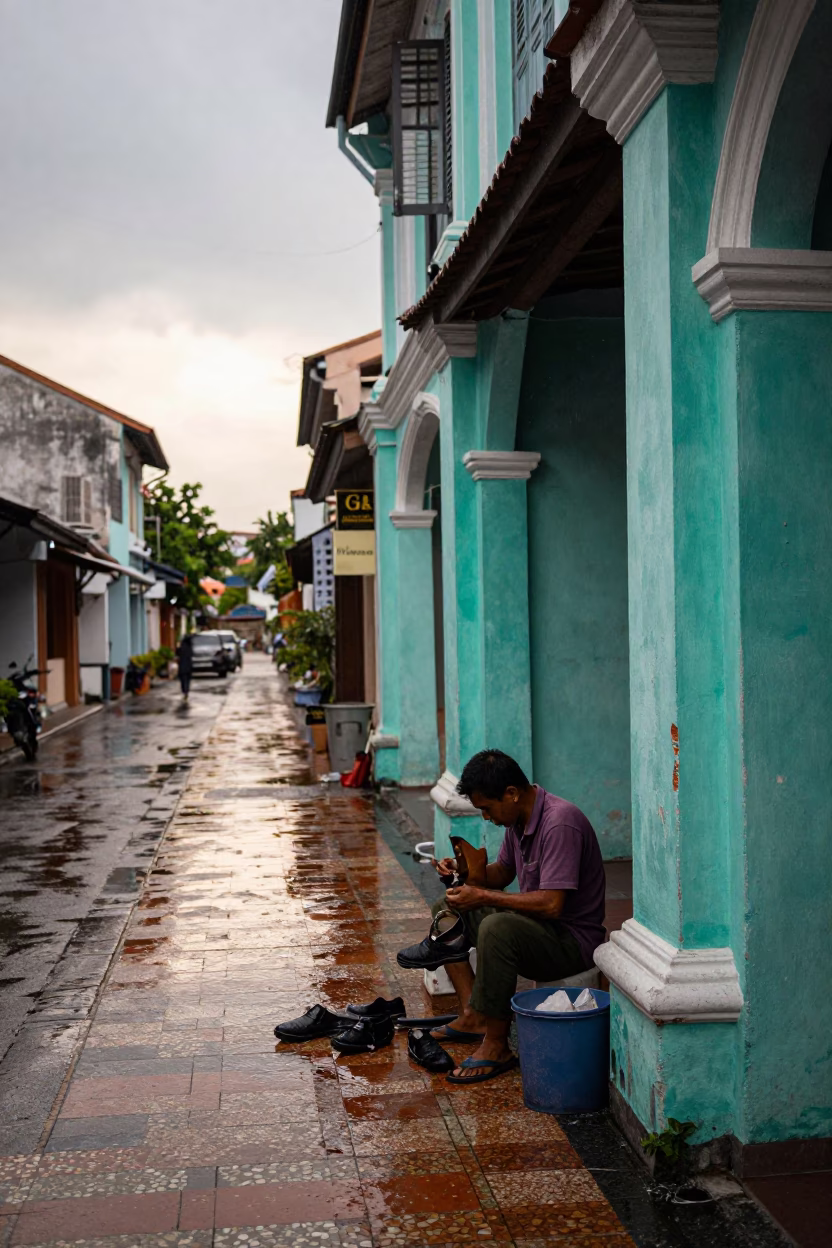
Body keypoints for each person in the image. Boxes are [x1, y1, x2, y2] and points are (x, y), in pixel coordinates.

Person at [398, 749, 606, 1084]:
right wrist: (465, 873)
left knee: (496, 926)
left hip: (571, 943)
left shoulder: (560, 823)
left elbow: (553, 905)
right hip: (540, 930)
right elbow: (501, 873)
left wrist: (480, 895)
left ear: (511, 793)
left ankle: (496, 1044)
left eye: (487, 808)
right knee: (448, 908)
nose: (485, 817)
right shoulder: (518, 818)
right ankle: (472, 1015)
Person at [176, 633, 193, 700]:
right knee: (187, 680)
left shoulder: (182, 646)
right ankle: (186, 691)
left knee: (183, 679)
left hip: (182, 665)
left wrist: (178, 647)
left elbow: (177, 653)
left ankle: (184, 691)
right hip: (188, 666)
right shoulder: (190, 646)